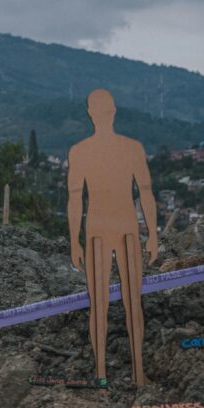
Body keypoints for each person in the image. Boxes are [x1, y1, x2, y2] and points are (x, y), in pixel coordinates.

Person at [67, 88, 158, 385]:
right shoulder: (126, 148)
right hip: (110, 229)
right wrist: (74, 241)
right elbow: (75, 199)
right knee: (111, 303)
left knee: (114, 304)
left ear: (90, 112)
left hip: (108, 229)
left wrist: (74, 240)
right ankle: (109, 374)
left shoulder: (84, 151)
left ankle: (121, 373)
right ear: (112, 111)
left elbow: (75, 200)